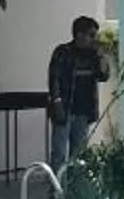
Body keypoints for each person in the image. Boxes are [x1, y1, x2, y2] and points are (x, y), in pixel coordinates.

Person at [45, 14, 109, 172]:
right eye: (91, 35)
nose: (94, 39)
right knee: (59, 153)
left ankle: (75, 192)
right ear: (79, 35)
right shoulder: (63, 52)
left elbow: (104, 76)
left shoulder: (93, 55)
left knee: (78, 155)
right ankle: (57, 192)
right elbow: (54, 79)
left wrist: (101, 56)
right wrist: (57, 102)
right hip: (65, 109)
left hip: (84, 111)